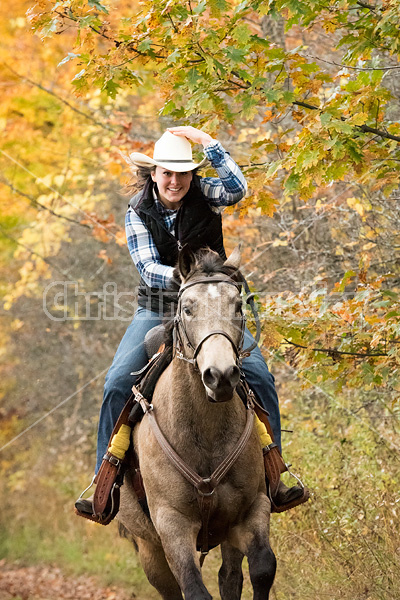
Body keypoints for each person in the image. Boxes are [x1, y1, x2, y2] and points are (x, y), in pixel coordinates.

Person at [75, 125, 308, 515]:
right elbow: (148, 268)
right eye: (167, 172)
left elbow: (237, 189)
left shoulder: (206, 194)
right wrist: (189, 279)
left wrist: (209, 144)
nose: (175, 180)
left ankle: (274, 473)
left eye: (183, 172)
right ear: (154, 173)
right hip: (158, 306)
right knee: (117, 381)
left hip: (212, 306)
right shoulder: (137, 211)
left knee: (261, 376)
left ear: (191, 175)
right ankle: (105, 480)